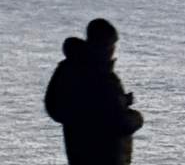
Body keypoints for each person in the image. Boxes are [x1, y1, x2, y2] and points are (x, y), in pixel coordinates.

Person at [45, 18, 143, 164]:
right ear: (103, 45)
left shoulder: (69, 69)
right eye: (111, 45)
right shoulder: (102, 77)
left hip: (78, 152)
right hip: (106, 156)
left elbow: (54, 106)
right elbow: (118, 121)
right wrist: (137, 118)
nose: (113, 50)